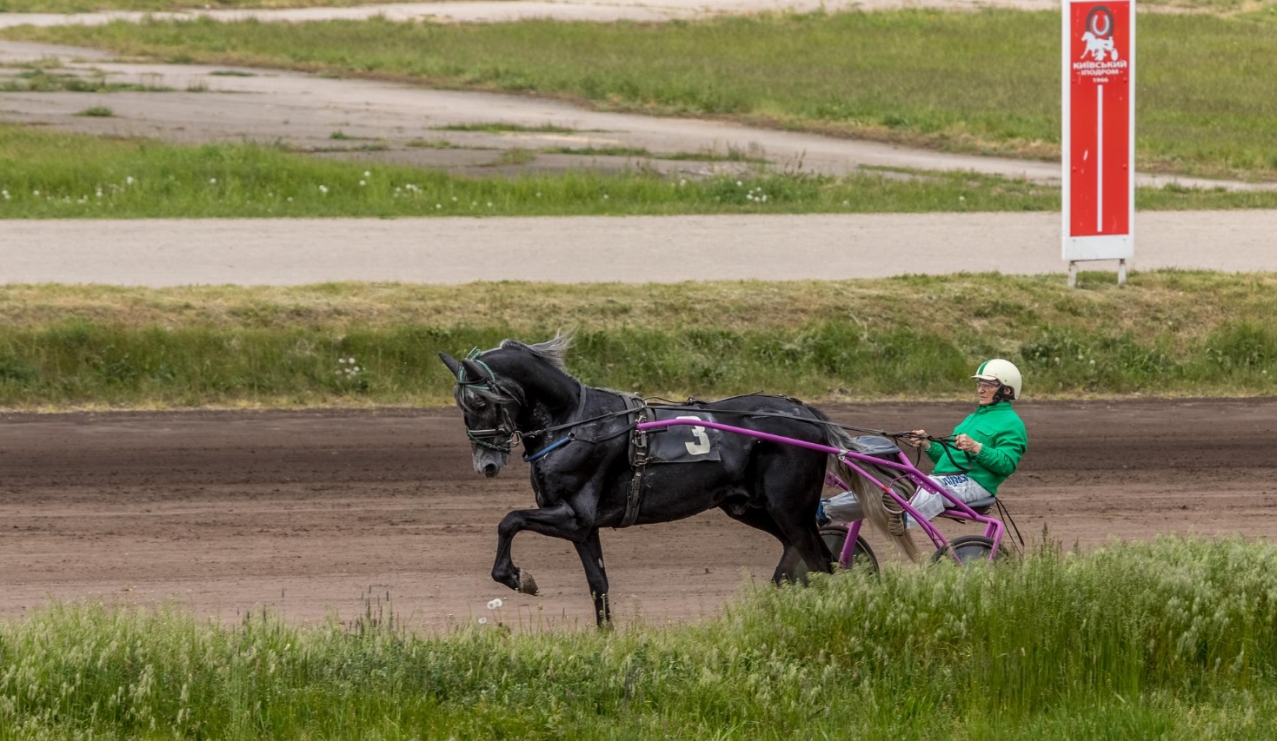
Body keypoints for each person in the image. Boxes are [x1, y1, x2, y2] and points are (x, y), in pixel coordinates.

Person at [894, 359, 1028, 535]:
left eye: (989, 384)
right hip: (950, 478)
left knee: (931, 486)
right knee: (898, 482)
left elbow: (1007, 465)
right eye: (980, 383)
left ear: (1007, 390)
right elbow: (949, 456)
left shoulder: (1013, 424)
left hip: (977, 484)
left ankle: (898, 521)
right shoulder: (971, 419)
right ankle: (848, 516)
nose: (981, 389)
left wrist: (976, 447)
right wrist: (927, 443)